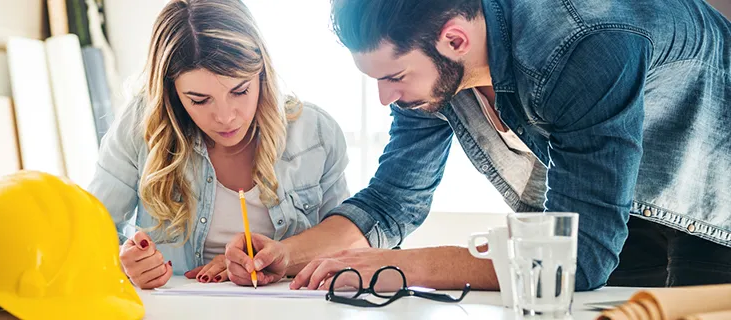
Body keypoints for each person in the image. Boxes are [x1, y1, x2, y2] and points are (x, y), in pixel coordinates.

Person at [226, 0, 731, 292]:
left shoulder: (581, 43)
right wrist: (286, 254)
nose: (385, 99)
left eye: (394, 77)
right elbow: (392, 201)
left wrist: (402, 266)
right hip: (613, 206)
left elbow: (572, 260)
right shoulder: (436, 70)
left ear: (455, 40)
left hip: (713, 202)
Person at [86, 0, 360, 289]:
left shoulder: (315, 134)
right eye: (199, 100)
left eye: (240, 90)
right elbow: (90, 237)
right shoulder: (141, 125)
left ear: (262, 73)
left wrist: (281, 262)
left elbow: (347, 248)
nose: (226, 117)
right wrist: (124, 263)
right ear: (172, 92)